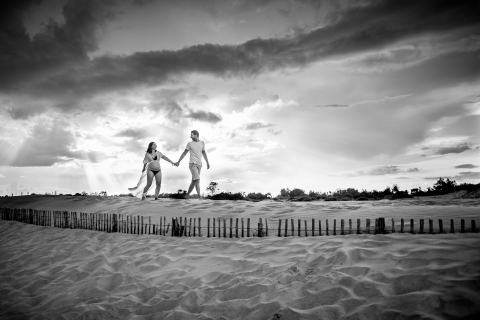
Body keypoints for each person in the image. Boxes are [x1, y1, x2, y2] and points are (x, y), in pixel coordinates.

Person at [175, 130, 210, 199]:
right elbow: (184, 153)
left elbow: (204, 153)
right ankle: (200, 196)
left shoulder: (202, 143)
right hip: (192, 164)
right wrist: (178, 161)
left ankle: (187, 195)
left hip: (199, 165)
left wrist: (207, 162)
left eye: (192, 135)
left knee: (193, 181)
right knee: (197, 179)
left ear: (196, 135)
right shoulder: (190, 144)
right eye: (191, 135)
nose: (190, 136)